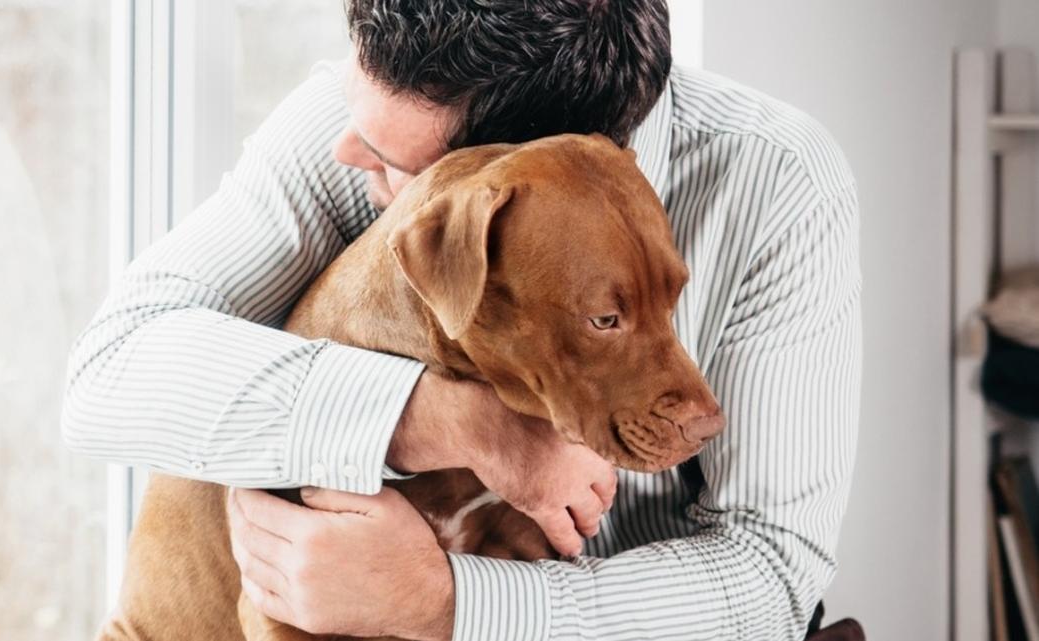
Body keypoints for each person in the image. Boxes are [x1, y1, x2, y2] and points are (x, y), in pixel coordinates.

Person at [61, 1, 862, 640]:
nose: (346, 152)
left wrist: (445, 604)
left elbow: (770, 579)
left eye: (395, 163)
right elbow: (108, 374)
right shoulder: (375, 117)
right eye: (354, 102)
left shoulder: (775, 181)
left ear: (506, 174)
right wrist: (453, 420)